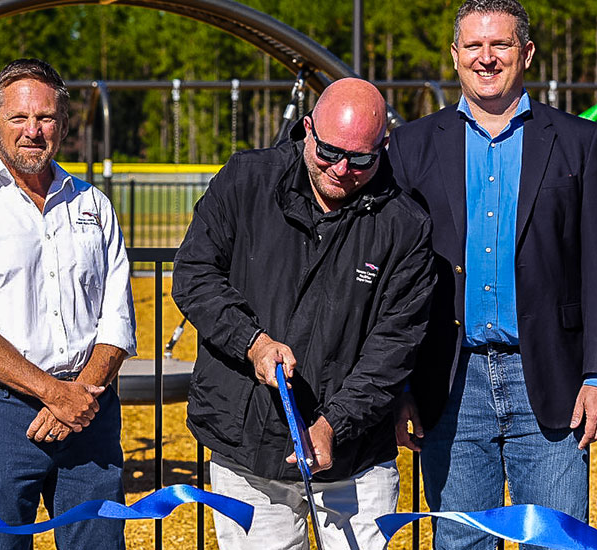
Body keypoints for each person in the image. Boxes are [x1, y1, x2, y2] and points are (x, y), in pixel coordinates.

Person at [387, 0, 597, 547]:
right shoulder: (412, 145)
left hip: (551, 377)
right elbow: (393, 280)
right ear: (455, 56)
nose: (486, 58)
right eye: (473, 45)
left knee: (557, 541)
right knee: (461, 542)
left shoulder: (578, 140)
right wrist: (397, 385)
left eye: (500, 45)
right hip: (447, 382)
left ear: (527, 54)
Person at [170, 77, 435, 550]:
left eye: (360, 159)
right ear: (307, 129)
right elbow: (194, 274)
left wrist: (335, 423)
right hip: (246, 444)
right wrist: (251, 342)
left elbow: (394, 346)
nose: (341, 170)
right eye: (329, 152)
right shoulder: (246, 179)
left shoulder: (405, 225)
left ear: (383, 147)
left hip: (355, 454)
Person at [0, 58, 136, 550]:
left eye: (45, 118)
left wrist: (77, 396)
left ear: (62, 124)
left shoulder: (93, 204)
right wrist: (53, 395)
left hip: (90, 411)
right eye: (19, 118)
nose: (33, 131)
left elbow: (117, 322)